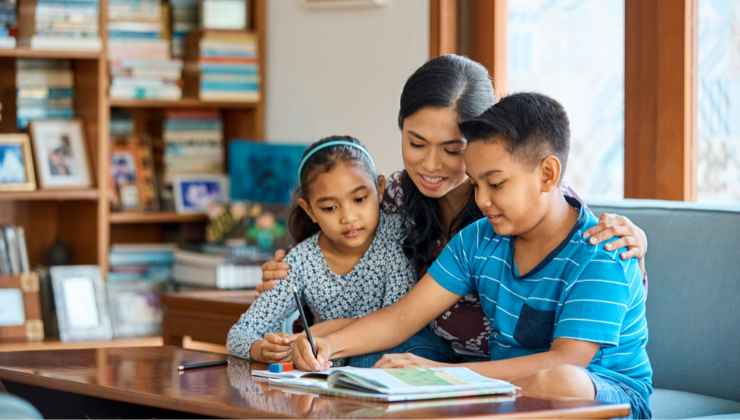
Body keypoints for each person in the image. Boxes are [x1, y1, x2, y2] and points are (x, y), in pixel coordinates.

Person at [259, 54, 649, 364]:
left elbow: (596, 264)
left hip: (510, 368)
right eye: (416, 143)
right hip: (426, 349)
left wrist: (637, 243)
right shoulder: (389, 196)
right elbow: (343, 258)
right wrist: (291, 272)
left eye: (452, 149)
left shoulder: (527, 203)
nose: (431, 164)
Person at [292, 93, 652, 419]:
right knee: (387, 362)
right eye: (476, 184)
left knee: (561, 381)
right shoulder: (479, 239)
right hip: (501, 393)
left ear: (547, 174)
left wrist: (439, 376)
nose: (481, 201)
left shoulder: (603, 251)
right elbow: (402, 317)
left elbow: (566, 362)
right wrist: (326, 344)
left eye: (495, 184)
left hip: (602, 398)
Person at [226, 136, 443, 364]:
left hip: (397, 356)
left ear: (379, 189)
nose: (348, 218)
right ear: (308, 209)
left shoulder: (396, 235)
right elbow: (239, 334)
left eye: (359, 199)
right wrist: (260, 348)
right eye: (330, 208)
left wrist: (314, 334)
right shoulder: (300, 261)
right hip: (333, 369)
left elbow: (396, 320)